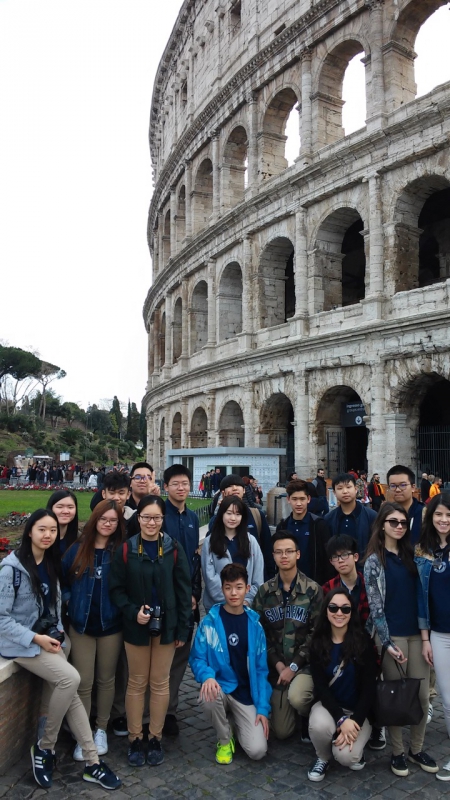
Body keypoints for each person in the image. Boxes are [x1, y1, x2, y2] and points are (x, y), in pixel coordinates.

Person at [0, 510, 121, 790]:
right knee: (71, 679)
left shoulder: (49, 562)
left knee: (71, 693)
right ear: (29, 531)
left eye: (53, 531)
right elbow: (2, 619)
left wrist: (56, 631)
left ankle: (92, 762)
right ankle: (45, 747)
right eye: (42, 529)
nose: (47, 535)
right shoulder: (11, 569)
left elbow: (52, 607)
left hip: (47, 639)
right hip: (20, 644)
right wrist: (36, 638)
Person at [109, 495, 192, 767]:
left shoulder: (173, 548)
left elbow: (183, 591)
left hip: (167, 625)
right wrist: (133, 611)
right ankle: (135, 737)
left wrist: (183, 628)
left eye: (157, 518)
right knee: (136, 682)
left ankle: (155, 736)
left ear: (162, 519)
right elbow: (116, 590)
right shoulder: (126, 550)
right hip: (137, 625)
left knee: (159, 682)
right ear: (139, 518)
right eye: (146, 517)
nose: (151, 523)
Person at [364, 502, 437, 777]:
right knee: (394, 696)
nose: (398, 526)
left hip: (417, 633)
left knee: (421, 696)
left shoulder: (413, 555)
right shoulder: (374, 561)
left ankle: (416, 749)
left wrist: (426, 635)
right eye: (393, 522)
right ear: (382, 525)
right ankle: (397, 752)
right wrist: (386, 642)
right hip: (391, 635)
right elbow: (375, 606)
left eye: (403, 523)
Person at [62, 500, 126, 761]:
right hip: (82, 626)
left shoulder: (120, 551)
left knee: (106, 680)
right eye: (103, 519)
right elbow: (63, 580)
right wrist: (69, 601)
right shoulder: (77, 550)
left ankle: (101, 728)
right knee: (83, 682)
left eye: (113, 520)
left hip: (111, 625)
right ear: (95, 519)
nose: (107, 524)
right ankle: (83, 733)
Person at [189, 563, 271, 764]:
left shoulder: (255, 625)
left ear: (247, 588)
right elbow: (197, 657)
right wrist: (207, 676)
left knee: (258, 751)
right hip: (221, 688)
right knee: (208, 695)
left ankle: (236, 722)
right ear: (222, 589)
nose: (234, 593)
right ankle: (225, 739)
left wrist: (262, 708)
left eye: (239, 587)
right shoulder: (210, 622)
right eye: (228, 588)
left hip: (246, 694)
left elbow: (261, 670)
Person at [252, 531, 323, 741]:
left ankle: (309, 712)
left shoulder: (313, 590)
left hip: (304, 666)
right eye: (279, 552)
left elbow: (317, 634)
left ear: (298, 554)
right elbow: (258, 634)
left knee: (299, 698)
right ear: (273, 555)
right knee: (282, 732)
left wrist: (294, 666)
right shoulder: (264, 592)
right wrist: (277, 663)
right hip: (277, 668)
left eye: (289, 551)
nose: (284, 556)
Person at [307, 588, 377, 781]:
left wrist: (355, 720)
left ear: (351, 612)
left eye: (345, 609)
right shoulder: (317, 643)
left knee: (346, 757)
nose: (339, 613)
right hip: (330, 708)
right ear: (326, 610)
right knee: (319, 726)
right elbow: (321, 687)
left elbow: (369, 688)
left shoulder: (363, 642)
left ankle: (355, 746)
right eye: (333, 608)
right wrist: (340, 719)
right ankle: (323, 757)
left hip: (357, 711)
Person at [323, 534, 385, 751]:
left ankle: (377, 722)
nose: (340, 560)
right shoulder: (328, 588)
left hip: (368, 644)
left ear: (356, 557)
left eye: (345, 555)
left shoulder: (370, 584)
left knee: (373, 681)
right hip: (339, 646)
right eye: (335, 557)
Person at [162, 464, 201, 736]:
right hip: (165, 597)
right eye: (175, 484)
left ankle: (169, 711)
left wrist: (194, 593)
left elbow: (193, 560)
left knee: (179, 659)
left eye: (184, 483)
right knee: (160, 657)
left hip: (187, 598)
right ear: (166, 487)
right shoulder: (158, 514)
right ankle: (150, 711)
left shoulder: (193, 518)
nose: (180, 488)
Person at [416, 493, 450, 781]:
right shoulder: (422, 550)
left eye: (449, 515)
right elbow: (420, 597)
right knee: (447, 697)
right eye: (439, 514)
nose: (444, 519)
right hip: (438, 633)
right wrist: (425, 638)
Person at [201, 496, 264, 612]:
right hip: (217, 608)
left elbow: (258, 576)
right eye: (229, 513)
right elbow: (209, 577)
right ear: (222, 514)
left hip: (246, 607)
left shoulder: (251, 541)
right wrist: (229, 602)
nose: (233, 518)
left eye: (237, 514)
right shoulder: (210, 542)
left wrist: (246, 600)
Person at [276, 479, 333, 584]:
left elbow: (327, 559)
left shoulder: (319, 525)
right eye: (294, 499)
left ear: (308, 499)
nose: (298, 503)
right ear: (288, 499)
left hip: (314, 583)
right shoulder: (282, 526)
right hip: (288, 583)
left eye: (302, 499)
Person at [325, 474, 376, 557]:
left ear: (355, 489)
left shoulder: (371, 516)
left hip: (364, 563)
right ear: (334, 493)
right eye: (340, 488)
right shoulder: (329, 519)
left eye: (348, 487)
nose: (345, 491)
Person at [386, 465, 425, 545]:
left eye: (403, 485)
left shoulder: (424, 513)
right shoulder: (385, 514)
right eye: (393, 486)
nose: (397, 490)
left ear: (413, 487)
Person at [46, 490, 79, 555]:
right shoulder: (40, 538)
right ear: (51, 508)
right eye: (60, 507)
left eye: (70, 507)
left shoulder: (80, 539)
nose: (65, 511)